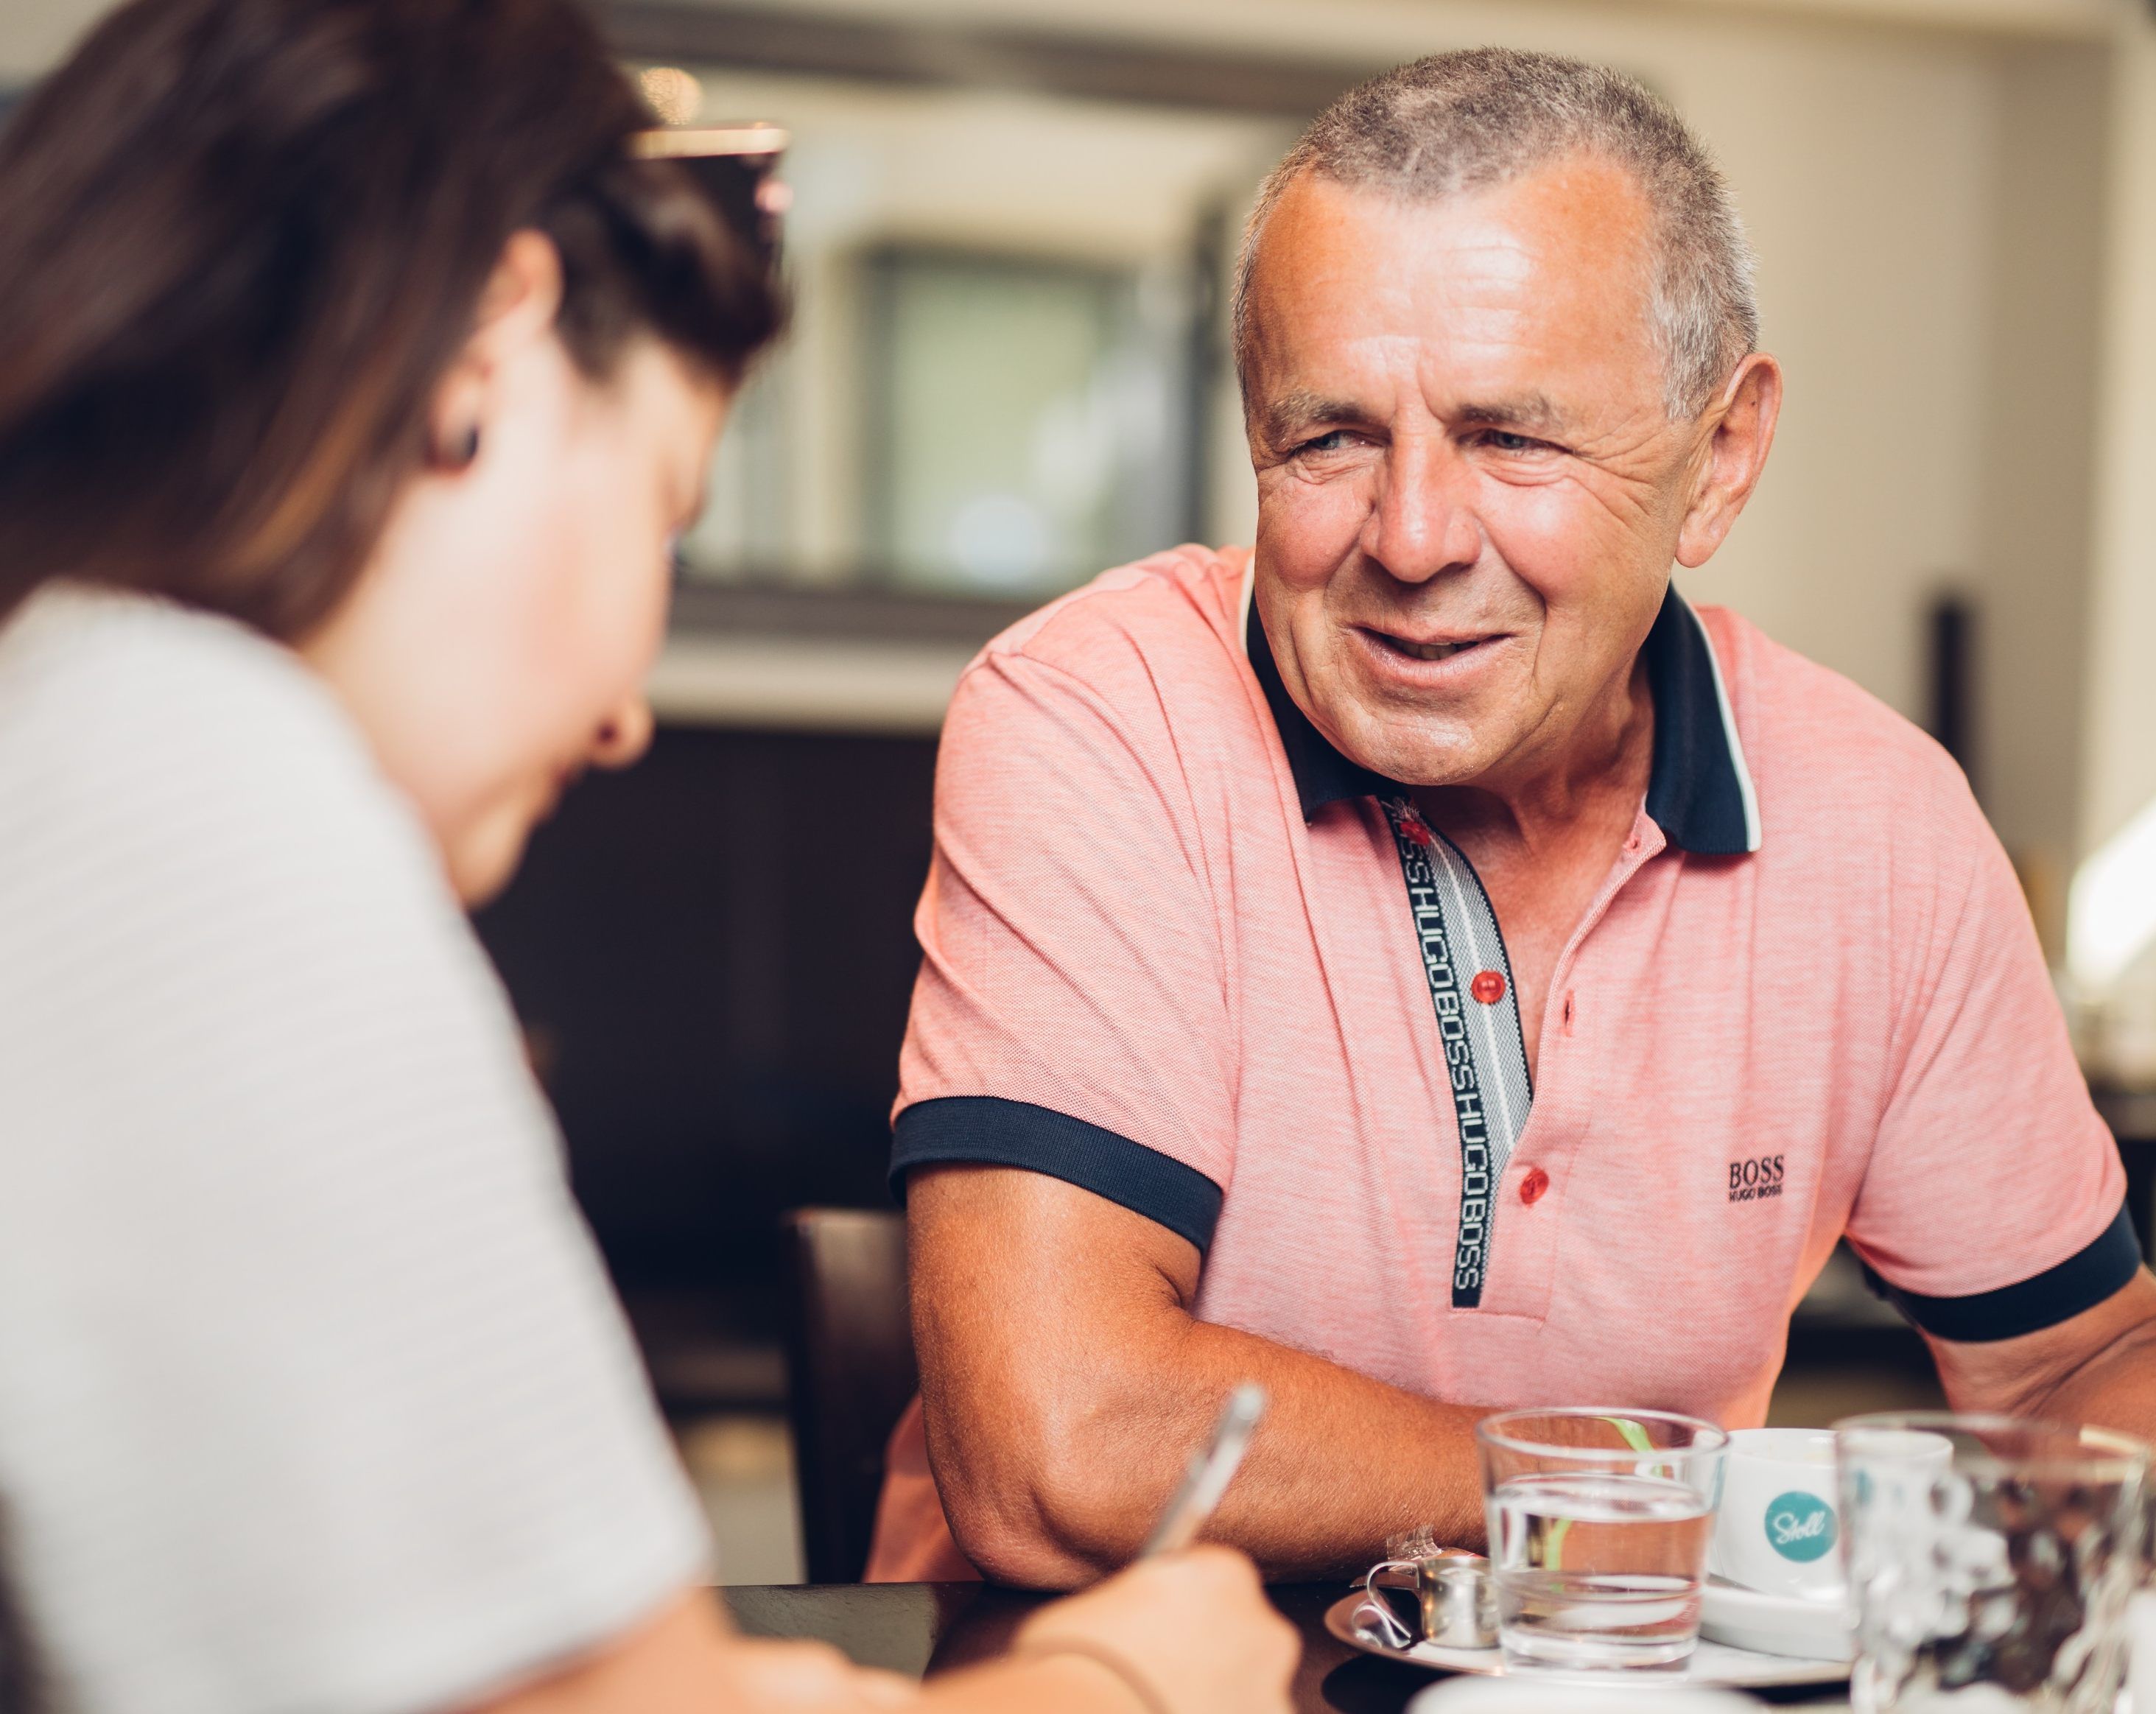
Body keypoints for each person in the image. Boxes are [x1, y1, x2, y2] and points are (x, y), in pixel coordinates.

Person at [0, 2, 1298, 1711]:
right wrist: (1129, 1684)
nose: (626, 713)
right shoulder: (196, 790)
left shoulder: (67, 729)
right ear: (486, 353)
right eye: (662, 514)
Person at [871, 46, 2156, 1587]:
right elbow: (1061, 1446)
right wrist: (1649, 1488)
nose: (1409, 537)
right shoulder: (1103, 713)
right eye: (1329, 435)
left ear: (1718, 460)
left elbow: (2079, 1361)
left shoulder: (1877, 816)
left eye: (1511, 438)